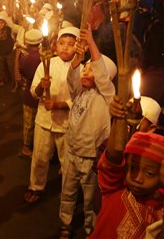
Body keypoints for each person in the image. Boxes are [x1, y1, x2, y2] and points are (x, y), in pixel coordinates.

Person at [59, 26, 116, 237]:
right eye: (85, 68)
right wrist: (78, 58)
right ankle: (64, 226)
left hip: (91, 157)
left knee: (91, 201)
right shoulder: (80, 91)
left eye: (91, 69)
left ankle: (92, 232)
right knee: (67, 193)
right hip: (72, 151)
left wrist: (91, 42)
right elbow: (71, 80)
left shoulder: (107, 96)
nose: (85, 71)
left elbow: (101, 75)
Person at [24, 26, 79, 204]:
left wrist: (58, 105)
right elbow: (34, 92)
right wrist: (42, 86)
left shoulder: (80, 68)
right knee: (40, 156)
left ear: (78, 47)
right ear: (55, 46)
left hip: (66, 123)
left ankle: (68, 192)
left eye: (71, 44)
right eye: (62, 43)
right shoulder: (46, 64)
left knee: (67, 161)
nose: (65, 47)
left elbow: (80, 99)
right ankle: (36, 186)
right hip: (44, 120)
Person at [90, 131, 164, 238]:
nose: (138, 179)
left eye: (149, 174)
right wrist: (119, 119)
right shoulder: (115, 189)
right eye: (132, 168)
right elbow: (113, 158)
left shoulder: (162, 207)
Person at [18, 29, 42, 158]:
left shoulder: (23, 55)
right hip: (40, 91)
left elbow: (21, 71)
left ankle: (26, 147)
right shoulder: (42, 57)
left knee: (28, 123)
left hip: (28, 91)